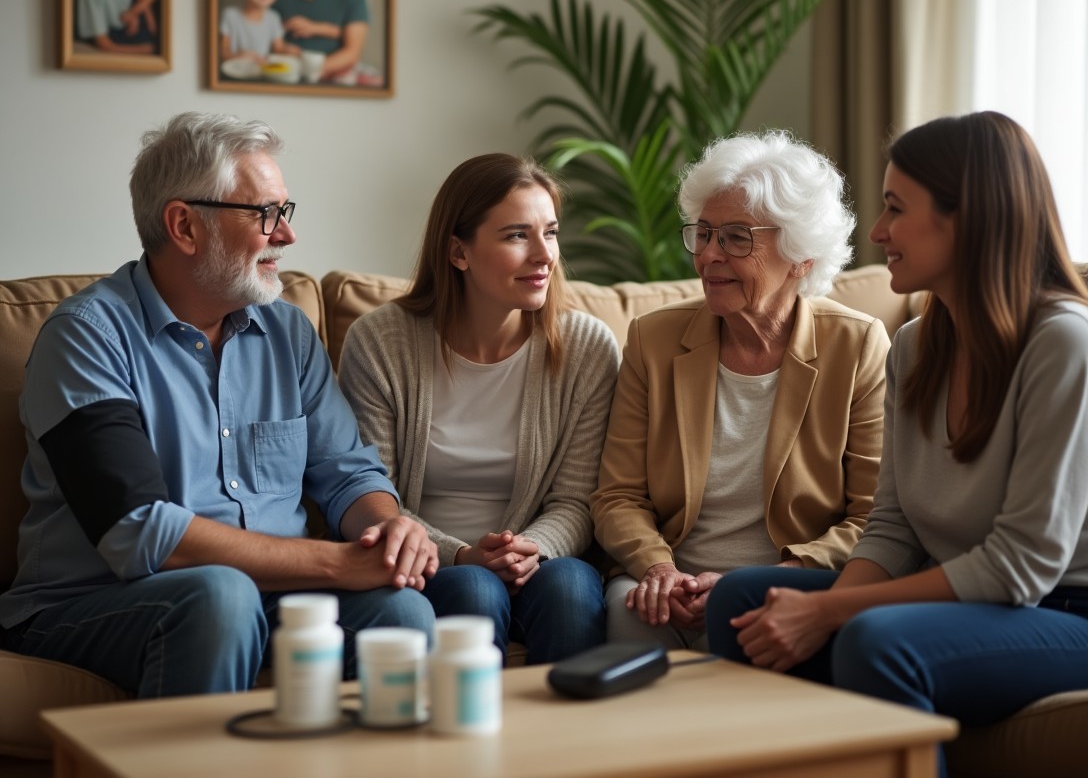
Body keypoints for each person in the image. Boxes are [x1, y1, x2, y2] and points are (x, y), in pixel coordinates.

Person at [0, 112, 436, 698]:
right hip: (94, 603)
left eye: (286, 212)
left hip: (271, 596)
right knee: (220, 597)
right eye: (266, 214)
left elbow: (346, 474)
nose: (287, 235)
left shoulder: (289, 332)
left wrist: (388, 531)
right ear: (184, 225)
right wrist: (336, 564)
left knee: (400, 613)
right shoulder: (84, 336)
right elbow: (140, 531)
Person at [706, 112, 1088, 775]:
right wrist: (824, 612)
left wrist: (830, 609)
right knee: (740, 601)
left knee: (880, 642)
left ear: (965, 218)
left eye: (894, 208)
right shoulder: (915, 347)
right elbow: (891, 526)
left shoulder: (1064, 344)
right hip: (960, 603)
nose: (878, 232)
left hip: (1062, 611)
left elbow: (1019, 565)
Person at [590, 130, 889, 650]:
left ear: (801, 257)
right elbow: (618, 495)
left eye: (735, 238)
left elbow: (874, 514)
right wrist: (659, 568)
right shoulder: (653, 339)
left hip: (786, 585)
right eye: (703, 234)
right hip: (665, 584)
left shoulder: (857, 345)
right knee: (628, 620)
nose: (708, 256)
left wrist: (775, 576)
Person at [337, 154, 618, 664]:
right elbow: (371, 494)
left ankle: (575, 743)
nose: (544, 256)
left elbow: (579, 500)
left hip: (543, 558)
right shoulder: (381, 342)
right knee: (473, 589)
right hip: (429, 562)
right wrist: (463, 555)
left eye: (550, 233)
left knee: (573, 591)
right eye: (516, 236)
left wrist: (525, 550)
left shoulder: (587, 348)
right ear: (458, 252)